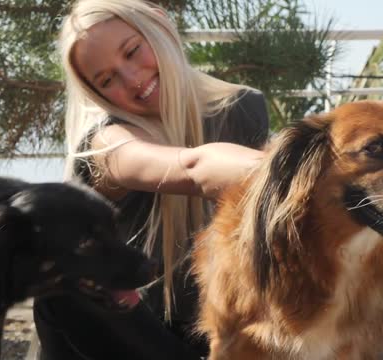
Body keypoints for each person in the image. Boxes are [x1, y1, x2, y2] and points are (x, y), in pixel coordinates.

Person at [32, 0, 269, 359]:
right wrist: (299, 174)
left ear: (160, 23)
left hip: (205, 331)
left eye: (132, 51)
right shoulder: (105, 142)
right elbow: (192, 168)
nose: (132, 79)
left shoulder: (243, 109)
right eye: (107, 80)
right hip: (123, 336)